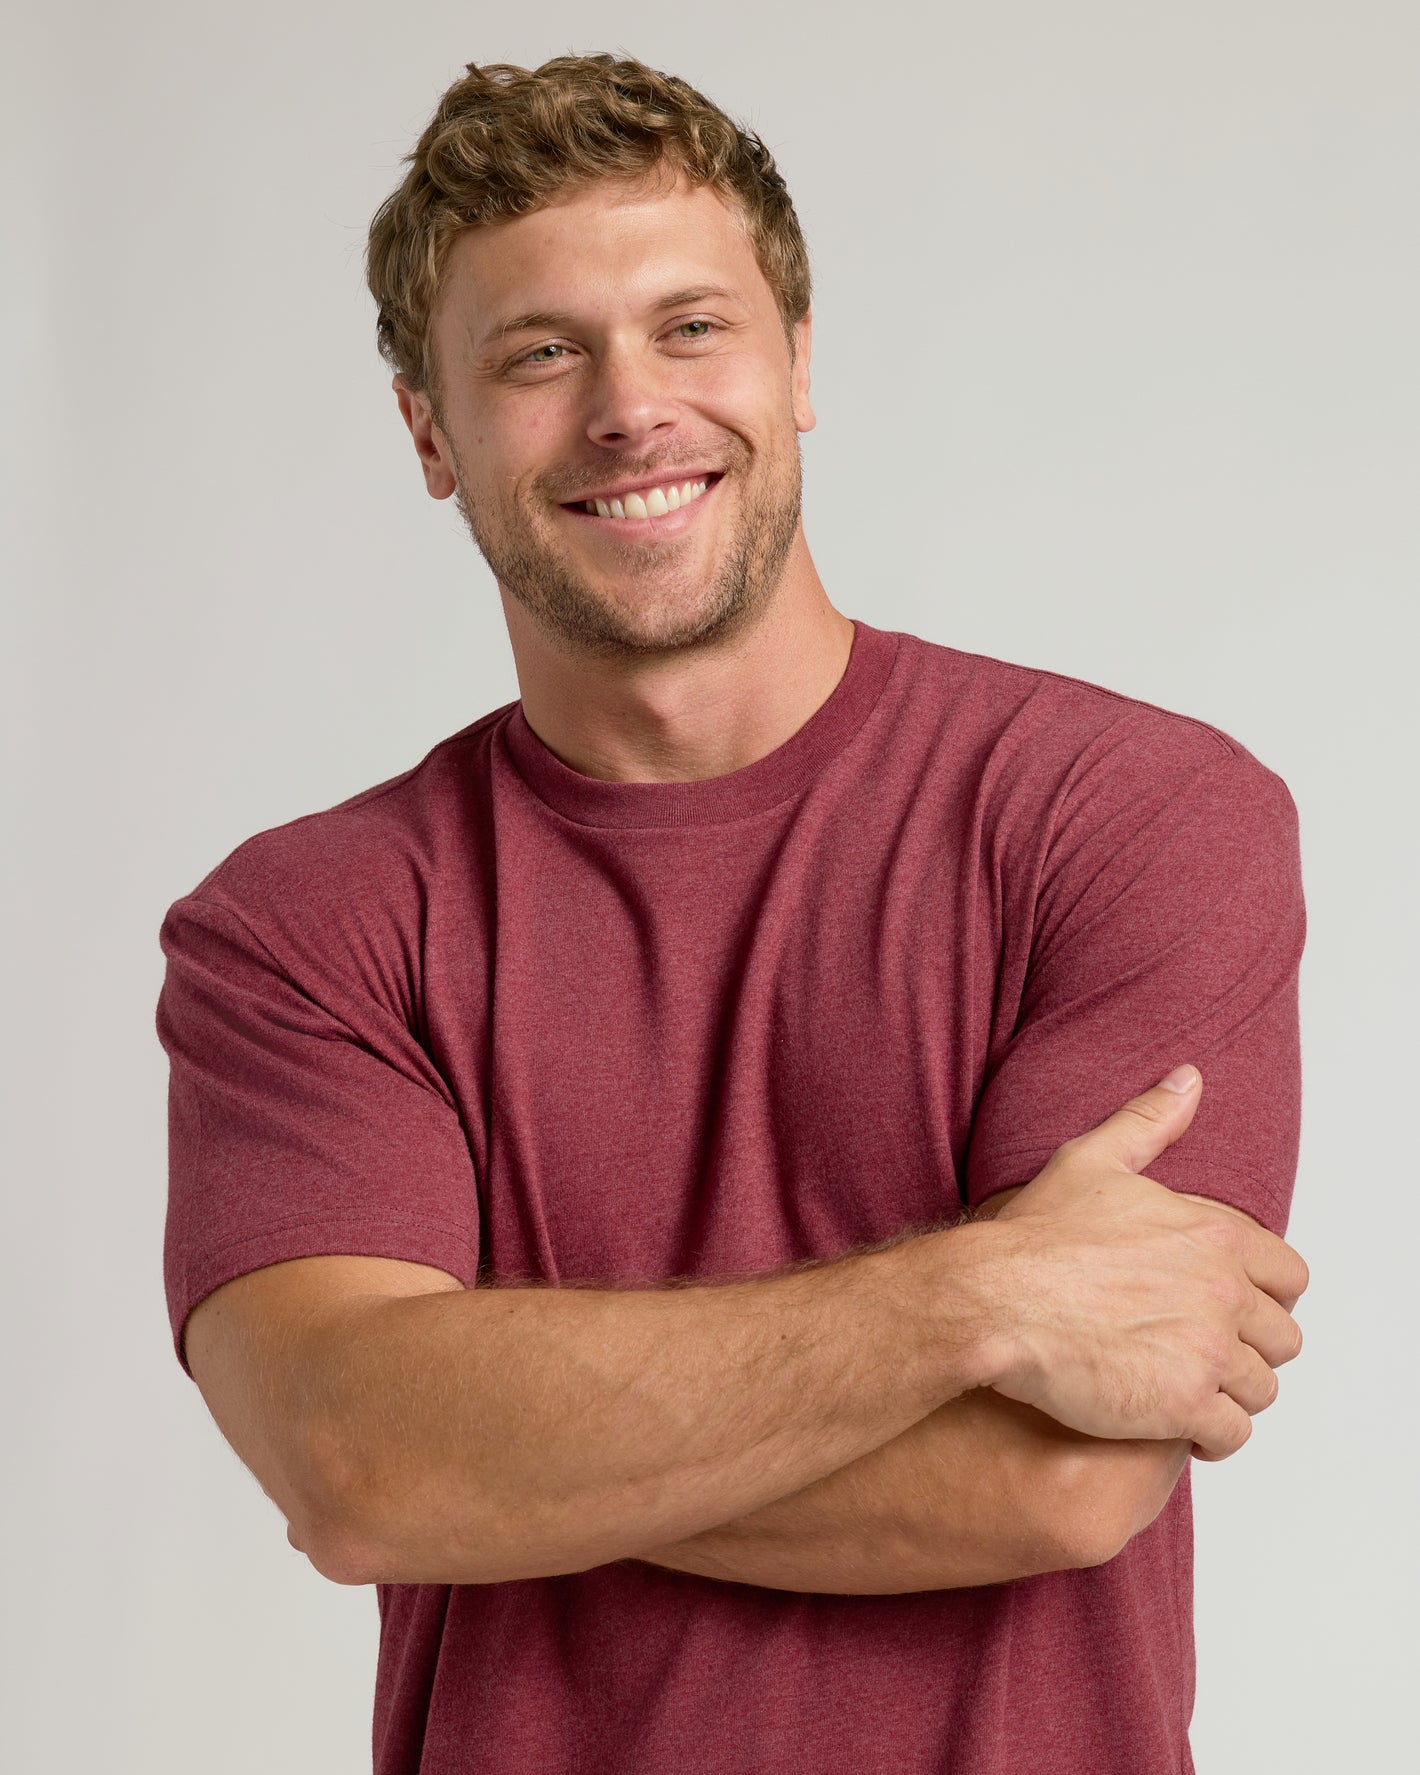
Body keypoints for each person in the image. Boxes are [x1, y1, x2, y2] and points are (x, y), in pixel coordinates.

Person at [156, 51, 1310, 1775]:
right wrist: (974, 1299)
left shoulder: (1129, 814)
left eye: (692, 328)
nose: (632, 409)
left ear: (799, 363)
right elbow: (359, 1466)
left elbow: (1063, 1478)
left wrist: (501, 1451)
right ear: (430, 433)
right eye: (540, 354)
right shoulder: (307, 928)